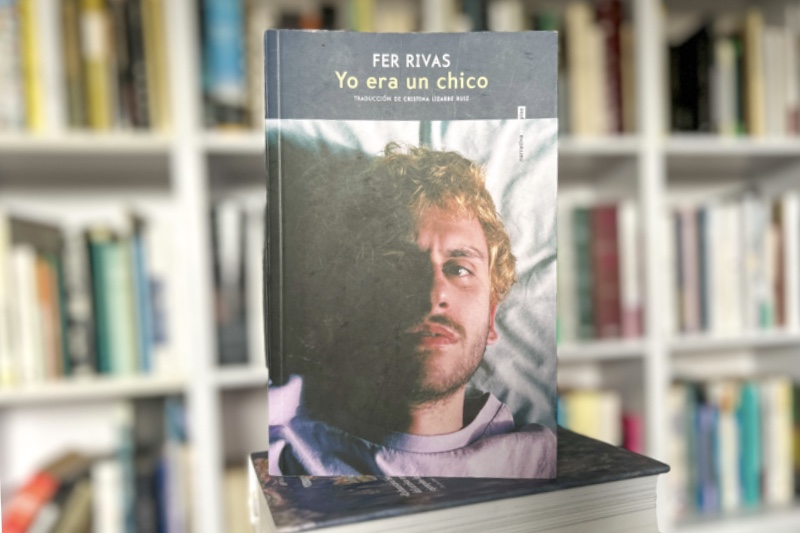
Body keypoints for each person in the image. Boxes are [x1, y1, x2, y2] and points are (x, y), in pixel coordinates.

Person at [268, 143, 555, 478]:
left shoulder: (541, 464)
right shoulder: (275, 453)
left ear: (491, 317)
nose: (435, 294)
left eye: (459, 269)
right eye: (399, 265)